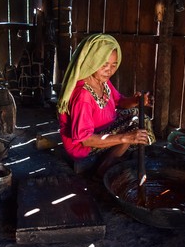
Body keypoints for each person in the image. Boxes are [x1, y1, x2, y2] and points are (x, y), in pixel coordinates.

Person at [57, 33, 155, 178]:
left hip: (103, 127)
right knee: (134, 127)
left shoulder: (102, 81)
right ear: (91, 62)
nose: (109, 70)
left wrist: (135, 100)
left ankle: (118, 152)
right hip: (84, 145)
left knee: (139, 117)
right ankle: (104, 168)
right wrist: (125, 138)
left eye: (114, 65)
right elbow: (85, 139)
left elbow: (119, 101)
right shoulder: (82, 96)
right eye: (104, 65)